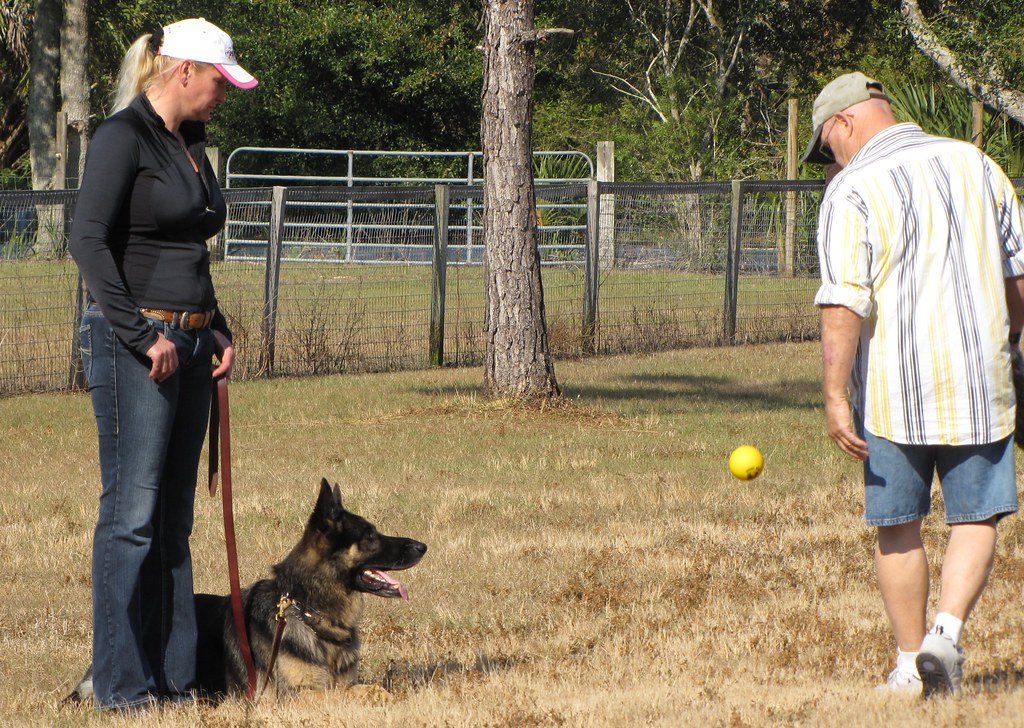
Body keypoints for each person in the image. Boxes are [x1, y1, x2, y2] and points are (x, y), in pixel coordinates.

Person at [805, 71, 1024, 698]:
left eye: (827, 146)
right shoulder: (976, 164)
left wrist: (834, 394)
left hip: (892, 389)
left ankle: (908, 666)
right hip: (980, 377)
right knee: (976, 515)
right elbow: (1017, 273)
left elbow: (844, 300)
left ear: (845, 121)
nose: (830, 160)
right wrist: (1013, 343)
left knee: (897, 523)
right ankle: (945, 635)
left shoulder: (852, 188)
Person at [69, 18, 257, 711]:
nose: (223, 96)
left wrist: (216, 325)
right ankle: (121, 687)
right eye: (219, 82)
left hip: (194, 344)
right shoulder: (123, 137)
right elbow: (87, 240)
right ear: (184, 71)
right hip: (139, 348)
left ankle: (174, 681)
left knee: (174, 522)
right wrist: (142, 335)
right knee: (132, 517)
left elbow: (190, 253)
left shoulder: (190, 143)